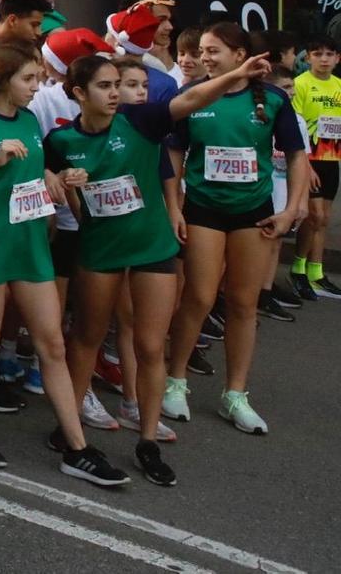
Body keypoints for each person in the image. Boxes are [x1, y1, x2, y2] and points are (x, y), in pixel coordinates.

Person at [51, 47, 268, 486]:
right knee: (87, 339)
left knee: (152, 345)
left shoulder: (140, 120)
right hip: (99, 252)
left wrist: (234, 77)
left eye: (118, 85)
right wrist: (59, 183)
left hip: (152, 249)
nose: (115, 94)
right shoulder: (59, 142)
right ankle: (69, 428)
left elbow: (190, 101)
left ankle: (147, 441)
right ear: (78, 93)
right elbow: (56, 192)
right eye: (105, 86)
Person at [0, 42, 126, 482]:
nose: (36, 86)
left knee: (53, 343)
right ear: (1, 76)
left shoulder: (28, 120)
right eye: (28, 78)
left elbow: (36, 173)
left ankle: (76, 446)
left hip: (30, 245)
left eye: (38, 77)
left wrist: (61, 177)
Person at [162, 22, 309, 436]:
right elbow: (172, 155)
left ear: (239, 55)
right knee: (201, 296)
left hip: (254, 212)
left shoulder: (275, 100)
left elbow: (298, 158)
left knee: (245, 304)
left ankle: (236, 394)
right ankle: (176, 382)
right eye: (202, 51)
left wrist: (291, 209)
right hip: (205, 210)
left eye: (213, 51)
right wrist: (173, 206)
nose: (204, 57)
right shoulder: (190, 98)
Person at [289, 32, 341, 299]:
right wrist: (305, 167)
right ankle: (298, 269)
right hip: (309, 161)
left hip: (332, 160)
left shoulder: (339, 86)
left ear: (337, 59)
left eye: (329, 54)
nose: (324, 59)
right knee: (314, 216)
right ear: (308, 57)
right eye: (318, 54)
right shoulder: (300, 84)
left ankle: (317, 274)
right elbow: (294, 128)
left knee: (323, 220)